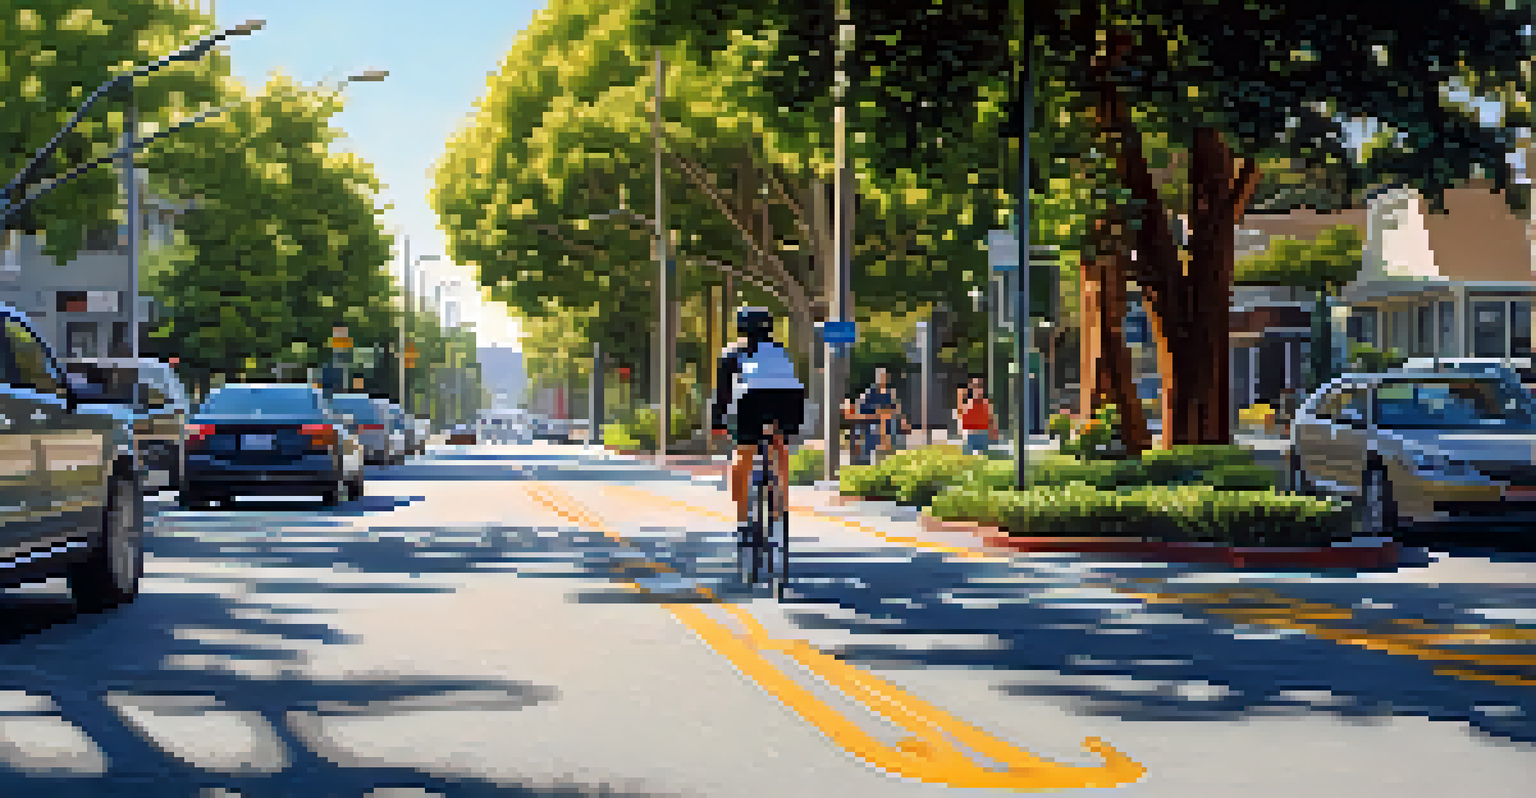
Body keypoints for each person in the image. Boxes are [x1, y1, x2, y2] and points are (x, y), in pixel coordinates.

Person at [710, 307, 806, 544]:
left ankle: (743, 521)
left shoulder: (732, 352)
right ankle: (779, 504)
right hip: (790, 397)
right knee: (779, 444)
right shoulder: (780, 351)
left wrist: (717, 423)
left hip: (751, 397)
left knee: (743, 453)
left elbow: (722, 394)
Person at [847, 367, 908, 464]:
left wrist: (902, 420)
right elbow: (862, 411)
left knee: (895, 433)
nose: (882, 380)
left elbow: (897, 410)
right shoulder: (869, 394)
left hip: (889, 425)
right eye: (880, 377)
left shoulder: (890, 394)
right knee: (871, 433)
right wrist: (877, 414)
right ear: (877, 379)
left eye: (884, 377)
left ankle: (894, 460)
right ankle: (864, 461)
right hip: (873, 424)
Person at [956, 374, 998, 456]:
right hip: (970, 435)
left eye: (979, 386)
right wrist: (960, 394)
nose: (977, 389)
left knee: (983, 455)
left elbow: (992, 420)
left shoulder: (987, 404)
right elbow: (960, 416)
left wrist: (994, 433)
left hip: (983, 435)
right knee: (969, 456)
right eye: (974, 386)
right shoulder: (967, 404)